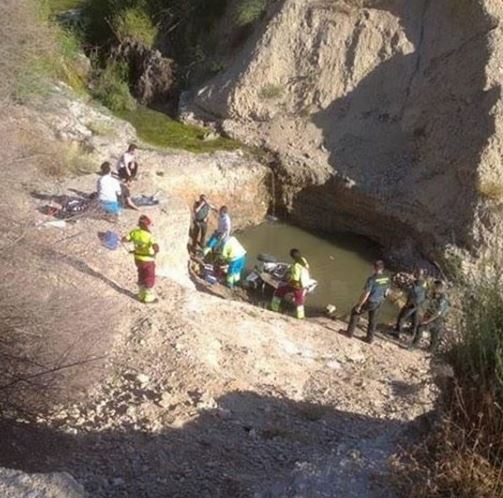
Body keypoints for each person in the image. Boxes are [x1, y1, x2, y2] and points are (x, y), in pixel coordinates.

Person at [346, 260, 390, 343]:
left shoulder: (371, 279)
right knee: (373, 320)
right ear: (382, 269)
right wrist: (382, 298)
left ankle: (349, 333)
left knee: (355, 313)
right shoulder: (387, 278)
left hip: (371, 301)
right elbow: (387, 291)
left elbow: (366, 294)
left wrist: (359, 305)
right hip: (379, 301)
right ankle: (369, 339)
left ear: (374, 268)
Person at [122, 215, 160, 303]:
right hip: (148, 260)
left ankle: (140, 295)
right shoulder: (149, 236)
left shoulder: (134, 232)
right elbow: (155, 247)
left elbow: (125, 239)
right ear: (146, 225)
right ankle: (148, 298)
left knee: (141, 275)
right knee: (149, 277)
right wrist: (156, 251)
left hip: (137, 259)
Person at [409, 280, 450, 352]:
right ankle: (416, 346)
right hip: (431, 314)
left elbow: (438, 312)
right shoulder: (434, 294)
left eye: (437, 286)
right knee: (424, 329)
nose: (434, 287)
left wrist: (427, 320)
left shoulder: (443, 298)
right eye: (435, 285)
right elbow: (427, 304)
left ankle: (428, 349)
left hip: (438, 318)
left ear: (441, 288)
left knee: (433, 333)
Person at [271, 249, 311, 320]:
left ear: (292, 257)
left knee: (279, 292)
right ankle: (301, 316)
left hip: (295, 285)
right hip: (303, 285)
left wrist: (287, 280)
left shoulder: (295, 266)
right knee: (299, 300)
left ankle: (274, 308)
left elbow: (295, 279)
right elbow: (307, 267)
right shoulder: (303, 260)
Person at [392, 268, 427, 339]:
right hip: (418, 303)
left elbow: (413, 291)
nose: (414, 274)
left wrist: (410, 283)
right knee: (414, 318)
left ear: (419, 274)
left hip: (412, 303)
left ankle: (397, 333)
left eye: (416, 273)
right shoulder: (423, 282)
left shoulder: (418, 283)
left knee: (401, 317)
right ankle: (413, 332)